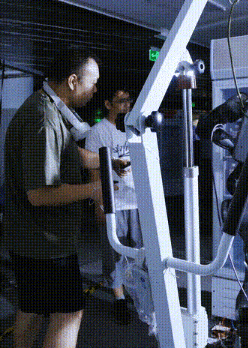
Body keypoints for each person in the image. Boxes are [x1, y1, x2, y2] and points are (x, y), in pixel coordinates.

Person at [3, 49, 128, 348]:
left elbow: (71, 154)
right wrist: (96, 189)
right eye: (93, 83)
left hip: (32, 240)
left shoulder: (48, 109)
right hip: (46, 244)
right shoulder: (44, 119)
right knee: (69, 314)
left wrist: (108, 162)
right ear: (73, 81)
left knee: (33, 309)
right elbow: (39, 194)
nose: (96, 90)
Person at [85, 85, 142, 325]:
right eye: (121, 101)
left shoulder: (137, 129)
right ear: (108, 104)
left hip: (138, 202)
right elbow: (93, 172)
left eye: (129, 100)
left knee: (140, 251)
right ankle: (119, 299)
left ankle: (140, 295)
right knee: (114, 254)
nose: (127, 105)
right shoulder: (98, 132)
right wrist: (99, 204)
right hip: (114, 202)